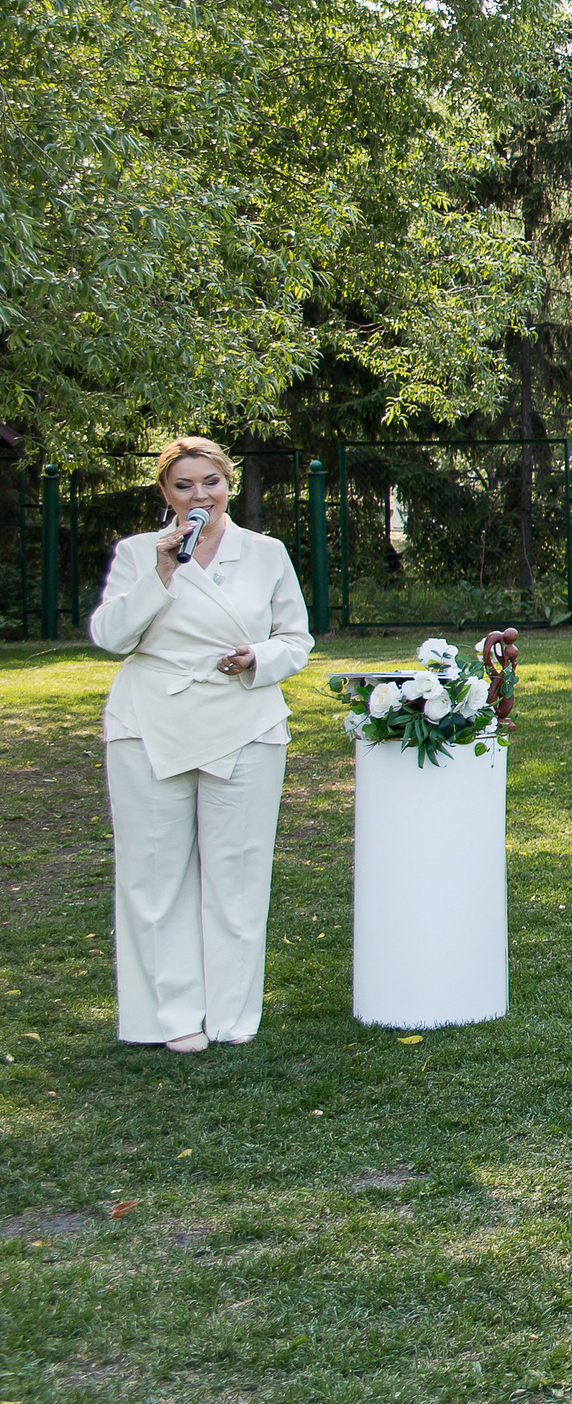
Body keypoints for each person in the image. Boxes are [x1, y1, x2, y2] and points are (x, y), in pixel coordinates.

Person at [88, 437, 312, 1051]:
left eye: (209, 482)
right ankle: (168, 1016)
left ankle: (231, 1015)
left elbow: (296, 638)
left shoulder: (265, 553)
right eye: (183, 486)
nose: (198, 496)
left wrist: (257, 659)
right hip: (149, 721)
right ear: (165, 493)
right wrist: (161, 573)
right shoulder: (139, 553)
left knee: (238, 874)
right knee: (153, 873)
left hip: (243, 720)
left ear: (227, 484)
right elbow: (109, 636)